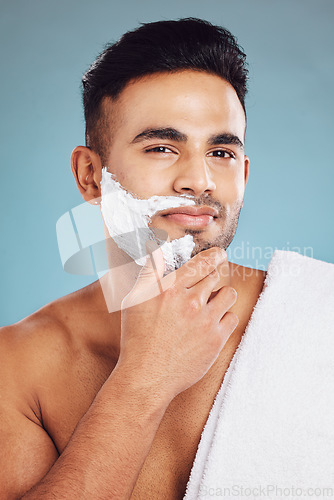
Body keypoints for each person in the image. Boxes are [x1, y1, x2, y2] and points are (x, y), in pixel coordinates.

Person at [1, 17, 331, 500]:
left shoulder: (321, 314)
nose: (199, 179)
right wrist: (145, 379)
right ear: (90, 176)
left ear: (243, 174)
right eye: (161, 147)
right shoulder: (18, 366)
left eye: (220, 151)